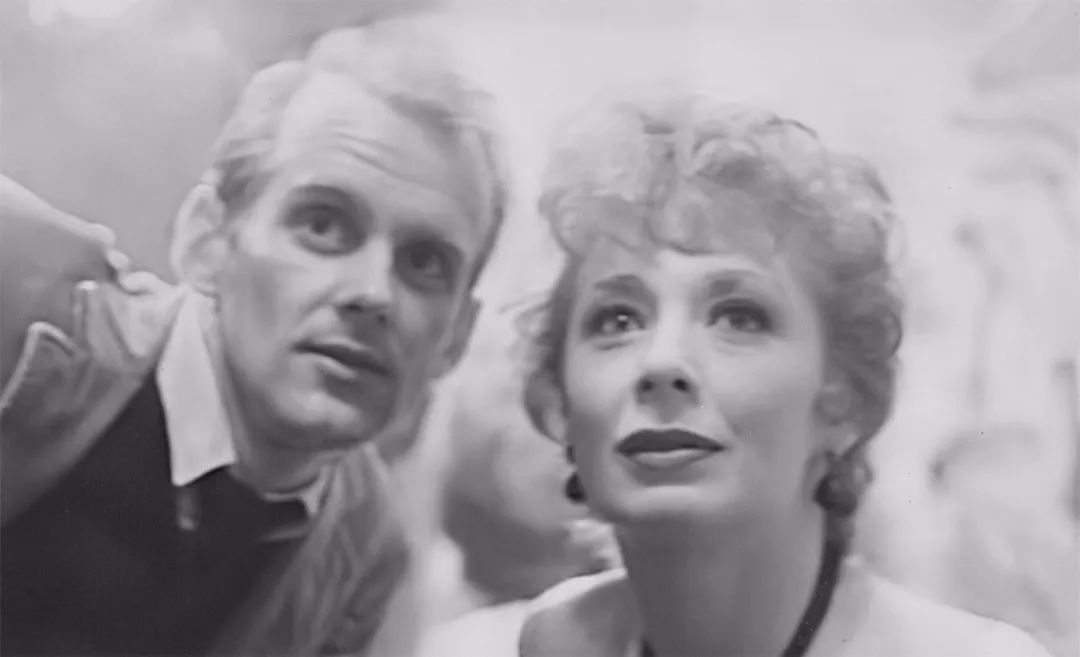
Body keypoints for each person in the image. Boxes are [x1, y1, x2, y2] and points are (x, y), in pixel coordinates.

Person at [0, 21, 505, 657]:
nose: (374, 292)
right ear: (206, 240)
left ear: (456, 335)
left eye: (425, 263)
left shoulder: (360, 547)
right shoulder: (27, 300)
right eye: (323, 225)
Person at [516, 92, 1053, 657]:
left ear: (843, 401)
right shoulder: (563, 640)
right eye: (618, 320)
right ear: (559, 403)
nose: (661, 361)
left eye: (739, 317)